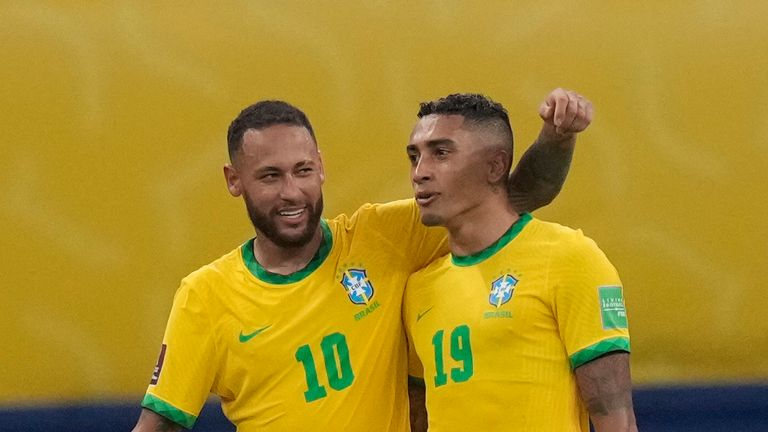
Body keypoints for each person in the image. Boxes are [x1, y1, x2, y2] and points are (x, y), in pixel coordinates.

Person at [131, 89, 587, 431]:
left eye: (303, 171)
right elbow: (160, 425)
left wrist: (558, 137)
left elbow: (512, 196)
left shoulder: (382, 238)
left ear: (321, 166)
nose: (291, 192)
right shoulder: (205, 295)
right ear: (234, 180)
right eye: (270, 176)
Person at [403, 92, 636, 432]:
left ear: (495, 166)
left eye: (441, 153)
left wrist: (558, 137)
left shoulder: (569, 257)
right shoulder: (418, 289)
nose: (420, 172)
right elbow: (418, 416)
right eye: (414, 157)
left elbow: (617, 419)